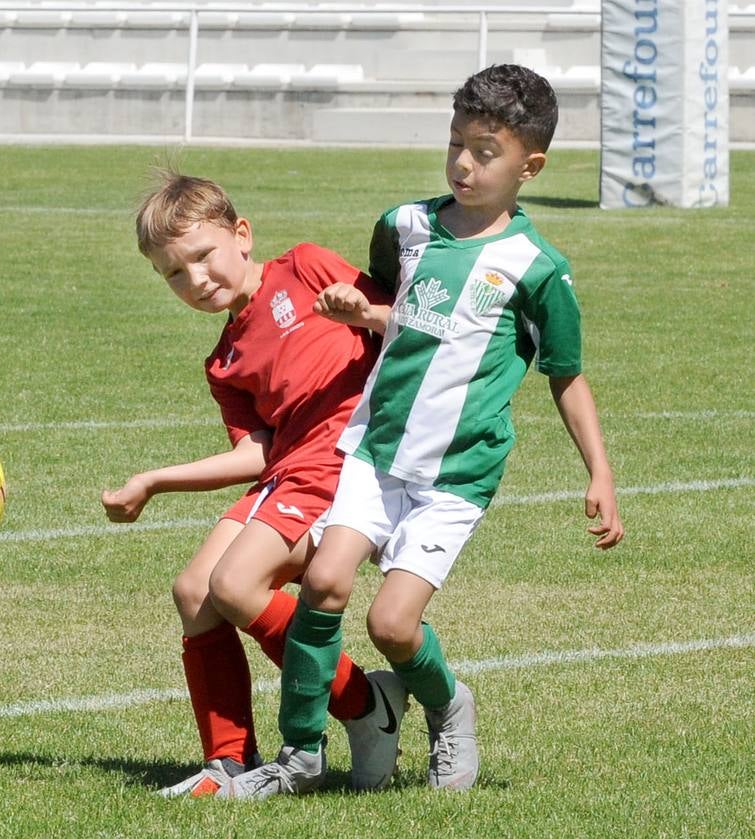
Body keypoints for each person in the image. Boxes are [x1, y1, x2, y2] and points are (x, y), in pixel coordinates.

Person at [222, 65, 625, 800]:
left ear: (528, 165)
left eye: (484, 150)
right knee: (323, 581)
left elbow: (565, 373)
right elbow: (396, 309)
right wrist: (357, 309)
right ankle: (299, 757)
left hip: (455, 475)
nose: (463, 164)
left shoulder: (536, 269)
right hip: (375, 450)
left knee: (392, 625)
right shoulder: (404, 225)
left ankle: (445, 703)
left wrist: (597, 471)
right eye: (454, 145)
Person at [101, 171, 402, 797]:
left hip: (343, 462)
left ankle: (364, 704)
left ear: (242, 235)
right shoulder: (224, 360)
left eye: (202, 257)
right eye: (173, 274)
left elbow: (401, 328)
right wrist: (155, 480)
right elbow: (253, 453)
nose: (195, 280)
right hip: (289, 470)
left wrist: (367, 314)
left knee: (236, 585)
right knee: (193, 592)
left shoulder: (308, 267)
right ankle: (229, 760)